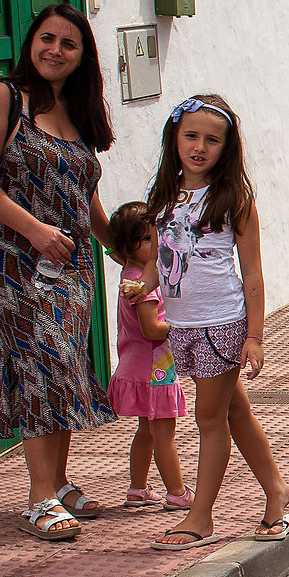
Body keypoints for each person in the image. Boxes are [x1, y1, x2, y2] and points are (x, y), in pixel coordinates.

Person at [0, 4, 116, 543]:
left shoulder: (78, 111)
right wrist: (34, 232)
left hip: (70, 268)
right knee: (39, 366)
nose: (55, 50)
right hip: (15, 264)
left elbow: (83, 193)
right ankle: (37, 497)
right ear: (31, 42)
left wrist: (116, 244)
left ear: (81, 56)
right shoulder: (4, 98)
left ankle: (60, 482)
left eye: (68, 44)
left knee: (64, 367)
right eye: (46, 38)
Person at [147, 95, 289, 548]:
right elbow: (161, 255)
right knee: (235, 410)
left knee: (210, 419)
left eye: (212, 139)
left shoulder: (234, 199)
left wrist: (255, 337)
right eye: (190, 135)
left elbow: (252, 274)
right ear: (175, 137)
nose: (199, 147)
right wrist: (142, 283)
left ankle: (201, 517)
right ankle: (276, 491)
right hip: (183, 326)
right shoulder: (165, 196)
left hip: (222, 325)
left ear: (226, 148)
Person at [106, 201, 191, 510]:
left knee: (147, 432)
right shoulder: (141, 283)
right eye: (145, 239)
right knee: (164, 434)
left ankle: (138, 489)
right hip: (155, 369)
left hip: (138, 366)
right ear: (129, 246)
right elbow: (152, 329)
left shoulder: (128, 274)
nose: (154, 244)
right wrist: (180, 326)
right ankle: (178, 493)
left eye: (154, 237)